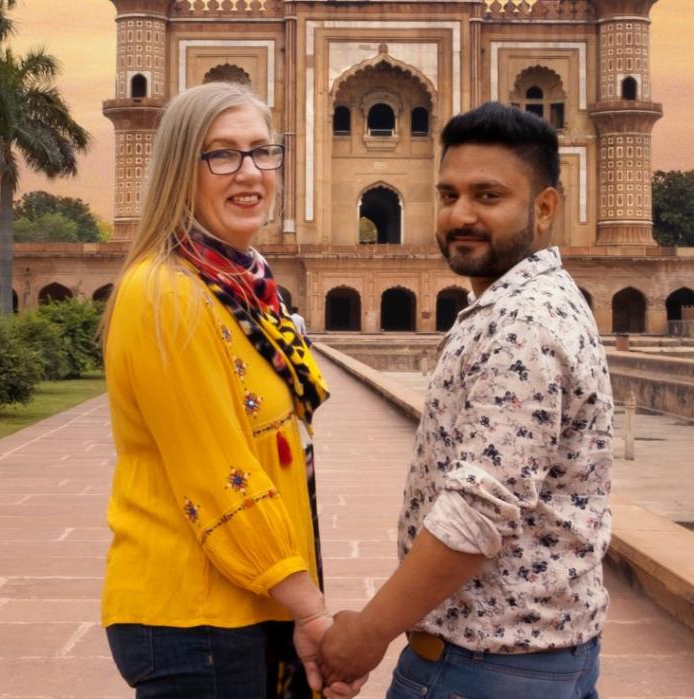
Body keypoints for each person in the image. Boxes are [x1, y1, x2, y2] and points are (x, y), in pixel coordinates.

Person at [319, 102, 614, 698]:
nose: (461, 215)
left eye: (488, 196)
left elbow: (477, 511)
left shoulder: (522, 322)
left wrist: (369, 631)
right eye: (449, 195)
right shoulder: (529, 300)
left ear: (545, 207)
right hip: (533, 656)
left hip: (485, 664)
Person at [99, 82, 361, 698]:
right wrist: (311, 609)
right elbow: (218, 475)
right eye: (220, 155)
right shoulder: (167, 292)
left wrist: (293, 601)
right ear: (176, 171)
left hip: (246, 603)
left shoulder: (243, 288)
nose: (248, 173)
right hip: (195, 614)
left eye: (260, 152)